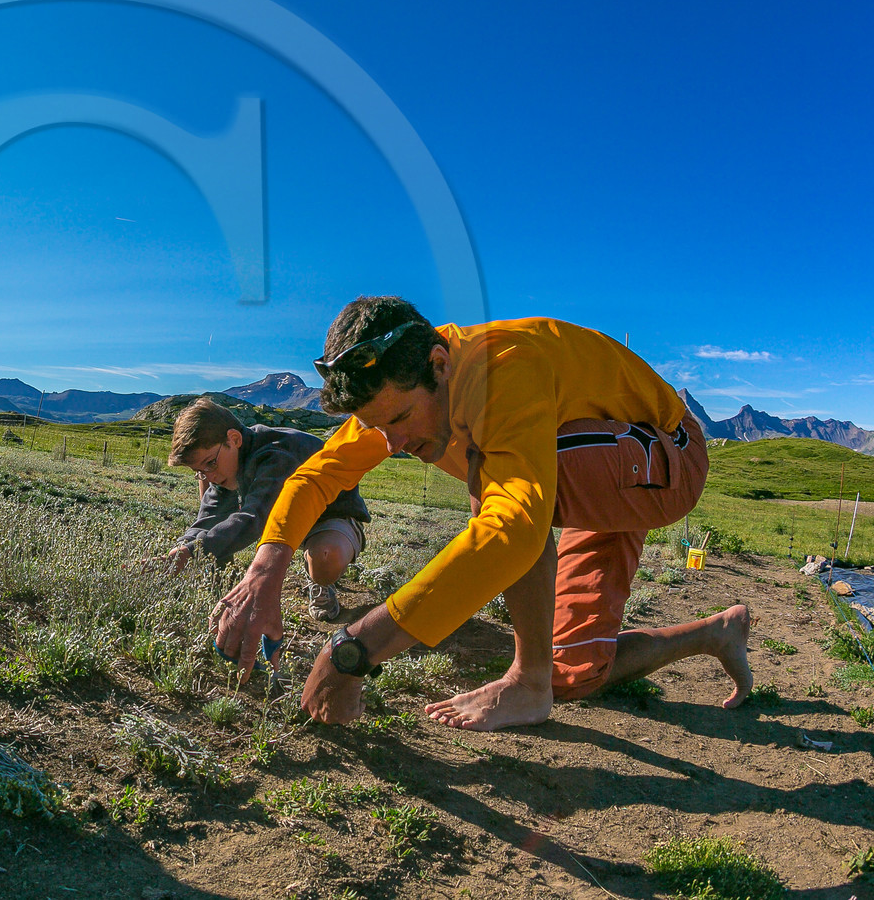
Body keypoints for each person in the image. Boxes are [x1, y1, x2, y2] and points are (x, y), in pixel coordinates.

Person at [212, 296, 752, 731]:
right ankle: (714, 634)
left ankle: (527, 680)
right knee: (579, 671)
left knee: (492, 474)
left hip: (668, 457)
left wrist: (355, 650)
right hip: (602, 481)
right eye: (379, 429)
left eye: (401, 419)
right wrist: (265, 570)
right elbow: (317, 475)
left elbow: (514, 525)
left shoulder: (500, 369)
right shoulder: (393, 392)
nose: (392, 444)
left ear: (440, 365)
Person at [166, 398, 370, 622]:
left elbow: (255, 518)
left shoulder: (276, 453)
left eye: (210, 464)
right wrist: (179, 550)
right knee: (213, 540)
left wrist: (193, 552)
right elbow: (208, 519)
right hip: (284, 518)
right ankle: (220, 587)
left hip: (330, 517)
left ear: (234, 439)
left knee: (323, 557)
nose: (209, 476)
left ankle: (320, 582)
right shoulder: (225, 462)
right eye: (200, 471)